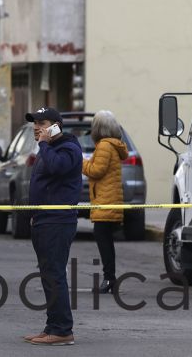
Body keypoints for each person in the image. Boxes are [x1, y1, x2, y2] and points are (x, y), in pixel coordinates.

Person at [22, 107, 82, 346]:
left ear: (56, 125)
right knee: (48, 275)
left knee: (55, 275)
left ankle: (62, 330)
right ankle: (52, 326)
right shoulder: (49, 149)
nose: (37, 127)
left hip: (58, 220)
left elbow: (58, 167)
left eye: (42, 122)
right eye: (34, 123)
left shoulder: (68, 148)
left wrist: (45, 145)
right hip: (44, 219)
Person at [82, 110, 128, 294]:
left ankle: (109, 278)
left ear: (98, 128)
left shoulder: (104, 146)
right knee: (106, 241)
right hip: (110, 199)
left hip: (105, 201)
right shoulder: (113, 146)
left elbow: (96, 171)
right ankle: (110, 278)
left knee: (104, 241)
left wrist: (81, 162)